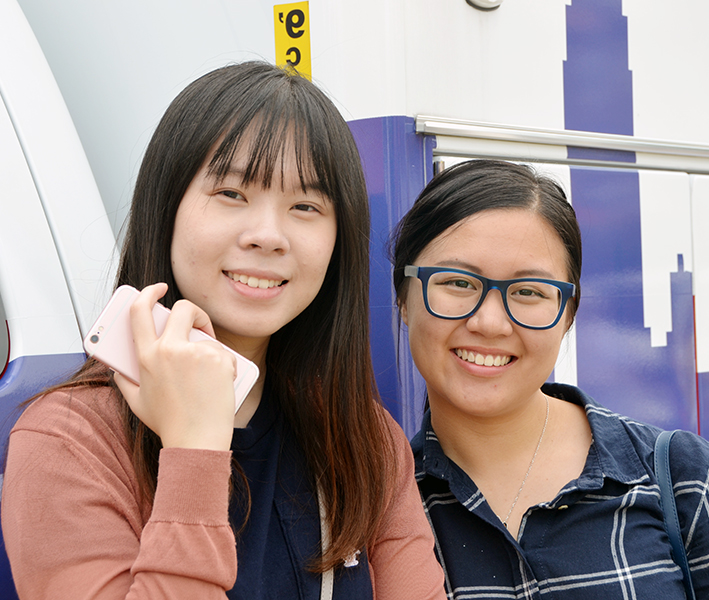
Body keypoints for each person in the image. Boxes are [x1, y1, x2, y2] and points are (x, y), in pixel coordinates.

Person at [1, 61, 445, 600]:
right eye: (232, 194)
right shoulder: (71, 439)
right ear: (166, 208)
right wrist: (195, 451)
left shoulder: (365, 440)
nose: (268, 235)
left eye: (305, 206)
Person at [391, 159, 709, 599]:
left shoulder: (682, 478)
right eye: (458, 282)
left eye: (529, 292)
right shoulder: (379, 511)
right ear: (404, 298)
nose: (490, 322)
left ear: (568, 315)